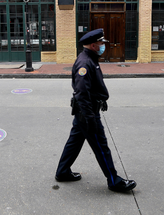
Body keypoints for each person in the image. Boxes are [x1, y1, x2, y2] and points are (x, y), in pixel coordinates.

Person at [55, 28, 137, 193]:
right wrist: (90, 117)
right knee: (101, 146)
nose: (103, 46)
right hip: (87, 112)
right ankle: (114, 180)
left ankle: (62, 172)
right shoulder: (85, 63)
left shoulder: (90, 58)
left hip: (86, 111)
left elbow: (90, 88)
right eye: (101, 43)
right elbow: (82, 93)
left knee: (74, 142)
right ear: (93, 45)